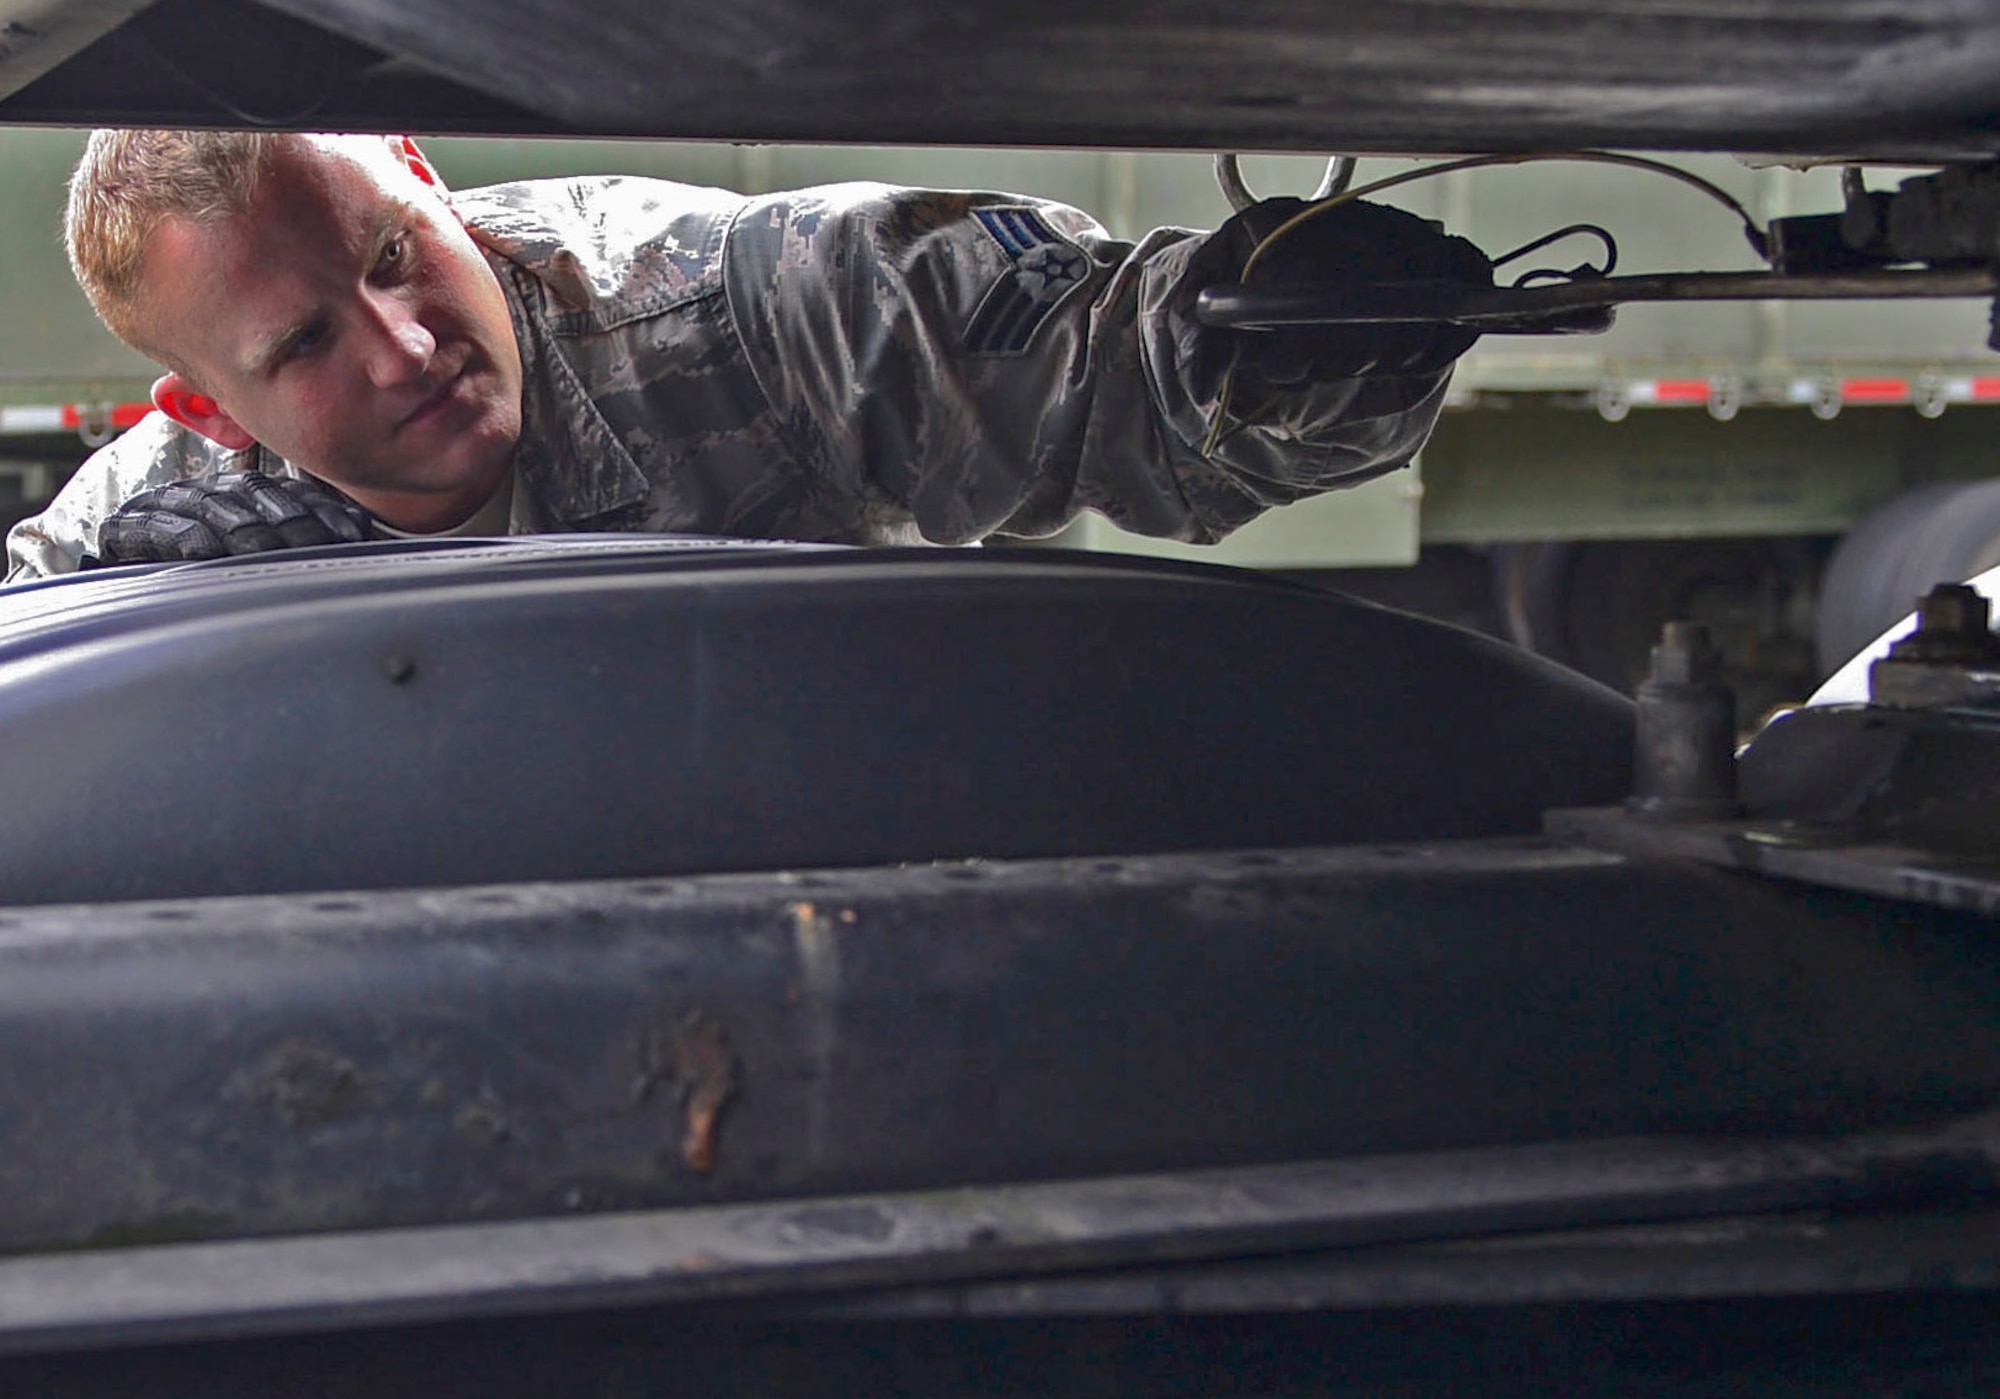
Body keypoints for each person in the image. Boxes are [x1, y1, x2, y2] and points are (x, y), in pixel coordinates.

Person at [4, 130, 1491, 581]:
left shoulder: (734, 310)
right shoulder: (146, 541)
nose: (408, 341)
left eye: (397, 253)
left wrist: (1282, 331)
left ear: (418, 170)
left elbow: (1111, 371)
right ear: (214, 409)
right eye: (310, 340)